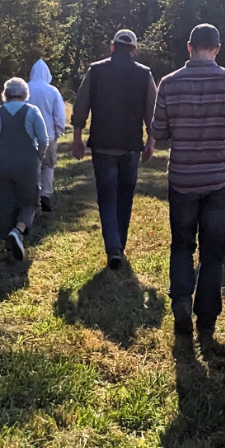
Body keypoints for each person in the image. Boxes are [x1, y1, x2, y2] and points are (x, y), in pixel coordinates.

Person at [151, 23, 225, 338]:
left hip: (182, 176)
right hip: (219, 178)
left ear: (189, 47)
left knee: (181, 244)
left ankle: (182, 298)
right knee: (213, 252)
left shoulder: (168, 84)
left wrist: (181, 132)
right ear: (217, 48)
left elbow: (158, 132)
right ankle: (206, 318)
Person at [71, 29, 157, 270]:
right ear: (134, 49)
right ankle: (119, 245)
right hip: (130, 146)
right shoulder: (144, 74)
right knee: (125, 198)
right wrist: (151, 140)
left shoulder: (96, 70)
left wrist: (77, 137)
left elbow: (81, 103)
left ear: (112, 47)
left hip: (103, 144)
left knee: (107, 198)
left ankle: (114, 248)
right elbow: (153, 110)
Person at [0, 77, 49, 261]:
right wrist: (39, 157)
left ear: (6, 94)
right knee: (30, 201)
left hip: (0, 162)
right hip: (27, 162)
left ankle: (8, 247)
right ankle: (17, 231)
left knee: (4, 203)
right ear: (26, 94)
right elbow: (43, 139)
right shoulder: (32, 112)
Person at [27, 58, 67, 212]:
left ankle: (31, 196)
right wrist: (57, 132)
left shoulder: (25, 89)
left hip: (28, 137)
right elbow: (59, 115)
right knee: (48, 166)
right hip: (48, 135)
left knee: (31, 167)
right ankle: (45, 194)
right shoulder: (53, 91)